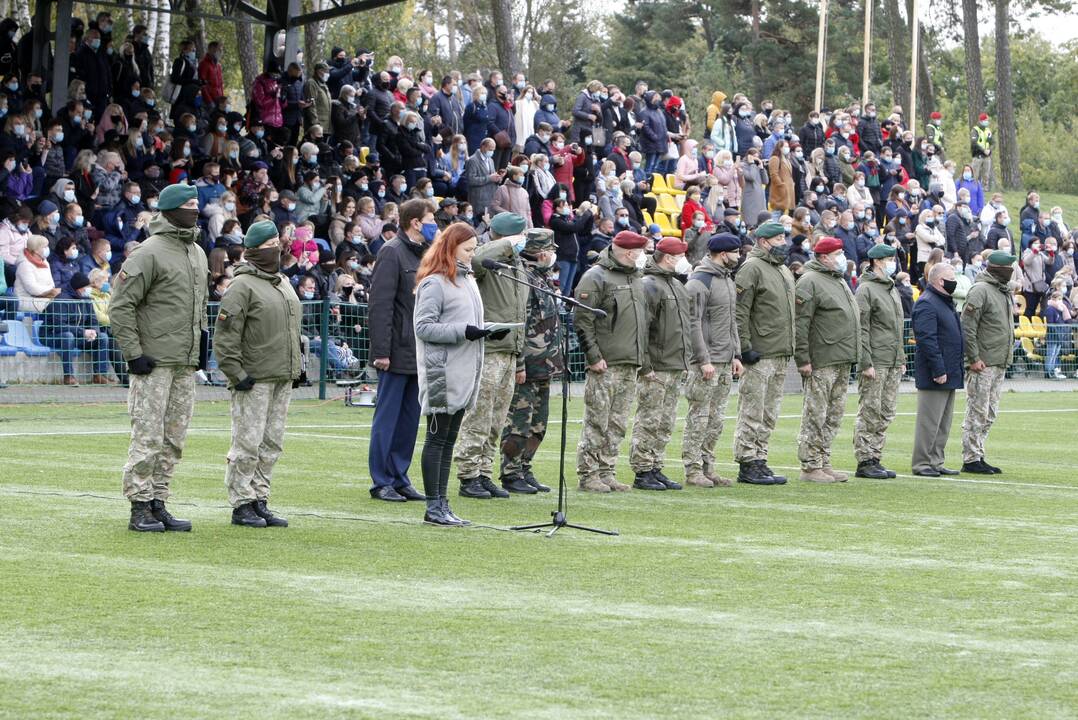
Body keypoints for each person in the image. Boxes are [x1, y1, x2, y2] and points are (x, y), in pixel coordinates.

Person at [110, 183, 208, 533]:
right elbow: (120, 305)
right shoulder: (147, 253)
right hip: (153, 362)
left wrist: (201, 347)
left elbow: (199, 306)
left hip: (183, 362)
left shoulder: (196, 252)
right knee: (147, 435)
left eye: (198, 204)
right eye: (189, 204)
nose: (196, 210)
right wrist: (134, 353)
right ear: (170, 209)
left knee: (174, 438)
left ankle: (158, 501)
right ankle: (139, 504)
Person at [213, 221, 302, 528]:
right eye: (270, 244)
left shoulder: (282, 281)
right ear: (255, 249)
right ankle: (241, 501)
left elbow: (292, 327)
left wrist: (296, 365)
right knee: (247, 442)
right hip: (254, 377)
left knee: (272, 441)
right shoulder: (242, 286)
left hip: (281, 374)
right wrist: (237, 373)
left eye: (278, 242)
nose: (277, 248)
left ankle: (260, 497)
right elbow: (225, 335)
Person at [413, 222, 491, 526]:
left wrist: (485, 332)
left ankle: (442, 503)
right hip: (442, 372)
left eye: (474, 249)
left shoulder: (468, 280)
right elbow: (424, 327)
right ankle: (434, 504)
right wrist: (466, 332)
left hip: (465, 369)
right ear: (451, 247)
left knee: (449, 440)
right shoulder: (434, 283)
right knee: (437, 439)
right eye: (468, 249)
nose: (472, 255)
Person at [454, 213, 529, 498]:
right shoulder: (486, 257)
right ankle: (468, 473)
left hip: (508, 351)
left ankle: (484, 471)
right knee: (479, 415)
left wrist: (519, 356)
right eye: (519, 237)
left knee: (496, 418)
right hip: (488, 350)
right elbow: (474, 261)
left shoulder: (517, 265)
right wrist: (507, 244)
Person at [366, 198, 432, 502]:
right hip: (395, 350)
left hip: (418, 350)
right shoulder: (391, 252)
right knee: (388, 418)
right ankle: (382, 480)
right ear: (415, 222)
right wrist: (381, 351)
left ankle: (399, 476)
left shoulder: (425, 255)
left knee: (408, 419)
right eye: (430, 218)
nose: (435, 224)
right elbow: (380, 305)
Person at [573, 230, 650, 493]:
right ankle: (589, 473)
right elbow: (582, 321)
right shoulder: (596, 277)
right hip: (606, 363)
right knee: (597, 420)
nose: (643, 257)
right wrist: (593, 356)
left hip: (630, 361)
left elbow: (641, 324)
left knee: (617, 422)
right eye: (640, 252)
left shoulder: (635, 277)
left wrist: (643, 360)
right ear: (629, 253)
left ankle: (607, 470)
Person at [628, 237, 693, 491]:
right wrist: (645, 366)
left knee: (665, 421)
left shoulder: (675, 284)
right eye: (680, 256)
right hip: (657, 365)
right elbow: (641, 329)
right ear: (668, 258)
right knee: (649, 419)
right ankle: (643, 470)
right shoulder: (649, 285)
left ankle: (655, 466)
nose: (684, 261)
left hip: (674, 363)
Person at [498, 228, 560, 494]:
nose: (554, 255)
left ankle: (525, 467)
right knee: (518, 423)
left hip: (545, 364)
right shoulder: (523, 278)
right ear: (542, 251)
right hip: (528, 364)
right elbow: (519, 324)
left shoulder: (542, 278)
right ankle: (510, 472)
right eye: (552, 249)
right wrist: (520, 363)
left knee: (539, 424)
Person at [733, 221, 795, 485]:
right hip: (760, 353)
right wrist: (744, 347)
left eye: (784, 237)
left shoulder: (782, 270)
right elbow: (740, 312)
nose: (783, 242)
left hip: (780, 351)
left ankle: (760, 458)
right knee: (753, 410)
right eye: (778, 238)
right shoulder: (751, 268)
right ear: (763, 241)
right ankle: (748, 462)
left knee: (769, 412)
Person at [794, 237, 860, 483]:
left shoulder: (837, 280)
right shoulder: (810, 281)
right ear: (824, 257)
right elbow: (801, 323)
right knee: (816, 413)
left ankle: (823, 460)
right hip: (822, 358)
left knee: (833, 414)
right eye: (838, 253)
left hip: (842, 357)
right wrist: (803, 358)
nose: (842, 257)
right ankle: (810, 466)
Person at [683, 233, 742, 487]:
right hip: (706, 362)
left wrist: (736, 354)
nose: (739, 257)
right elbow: (692, 323)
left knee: (716, 419)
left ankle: (708, 467)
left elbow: (731, 322)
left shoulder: (727, 280)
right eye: (736, 252)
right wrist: (702, 358)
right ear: (723, 253)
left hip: (724, 359)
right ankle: (693, 469)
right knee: (699, 417)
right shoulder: (700, 281)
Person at [960, 251, 1016, 475]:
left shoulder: (1001, 291)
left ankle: (978, 453)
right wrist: (973, 358)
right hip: (984, 362)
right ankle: (971, 457)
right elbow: (968, 326)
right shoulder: (981, 290)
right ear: (1001, 269)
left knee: (989, 412)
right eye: (1009, 268)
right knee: (977, 410)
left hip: (998, 360)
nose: (1012, 273)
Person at [853, 244, 905, 479]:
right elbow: (861, 328)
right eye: (888, 259)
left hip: (891, 359)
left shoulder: (890, 288)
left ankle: (875, 455)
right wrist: (865, 362)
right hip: (876, 359)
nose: (892, 262)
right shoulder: (866, 289)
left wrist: (901, 357)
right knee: (870, 410)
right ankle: (865, 459)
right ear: (877, 262)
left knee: (886, 411)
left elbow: (896, 328)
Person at [911, 262, 964, 477]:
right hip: (936, 372)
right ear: (941, 281)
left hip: (949, 370)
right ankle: (922, 462)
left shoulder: (943, 302)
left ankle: (935, 460)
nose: (955, 280)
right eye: (952, 276)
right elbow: (927, 340)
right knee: (929, 422)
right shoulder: (927, 303)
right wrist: (938, 369)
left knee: (943, 422)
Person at [970, 113, 994, 190]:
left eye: (987, 120)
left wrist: (990, 150)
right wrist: (983, 150)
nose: (987, 122)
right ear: (981, 121)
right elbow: (974, 142)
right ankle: (974, 187)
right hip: (977, 155)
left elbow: (992, 142)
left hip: (987, 155)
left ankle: (985, 188)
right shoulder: (975, 130)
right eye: (985, 120)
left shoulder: (988, 131)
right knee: (975, 173)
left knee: (986, 174)